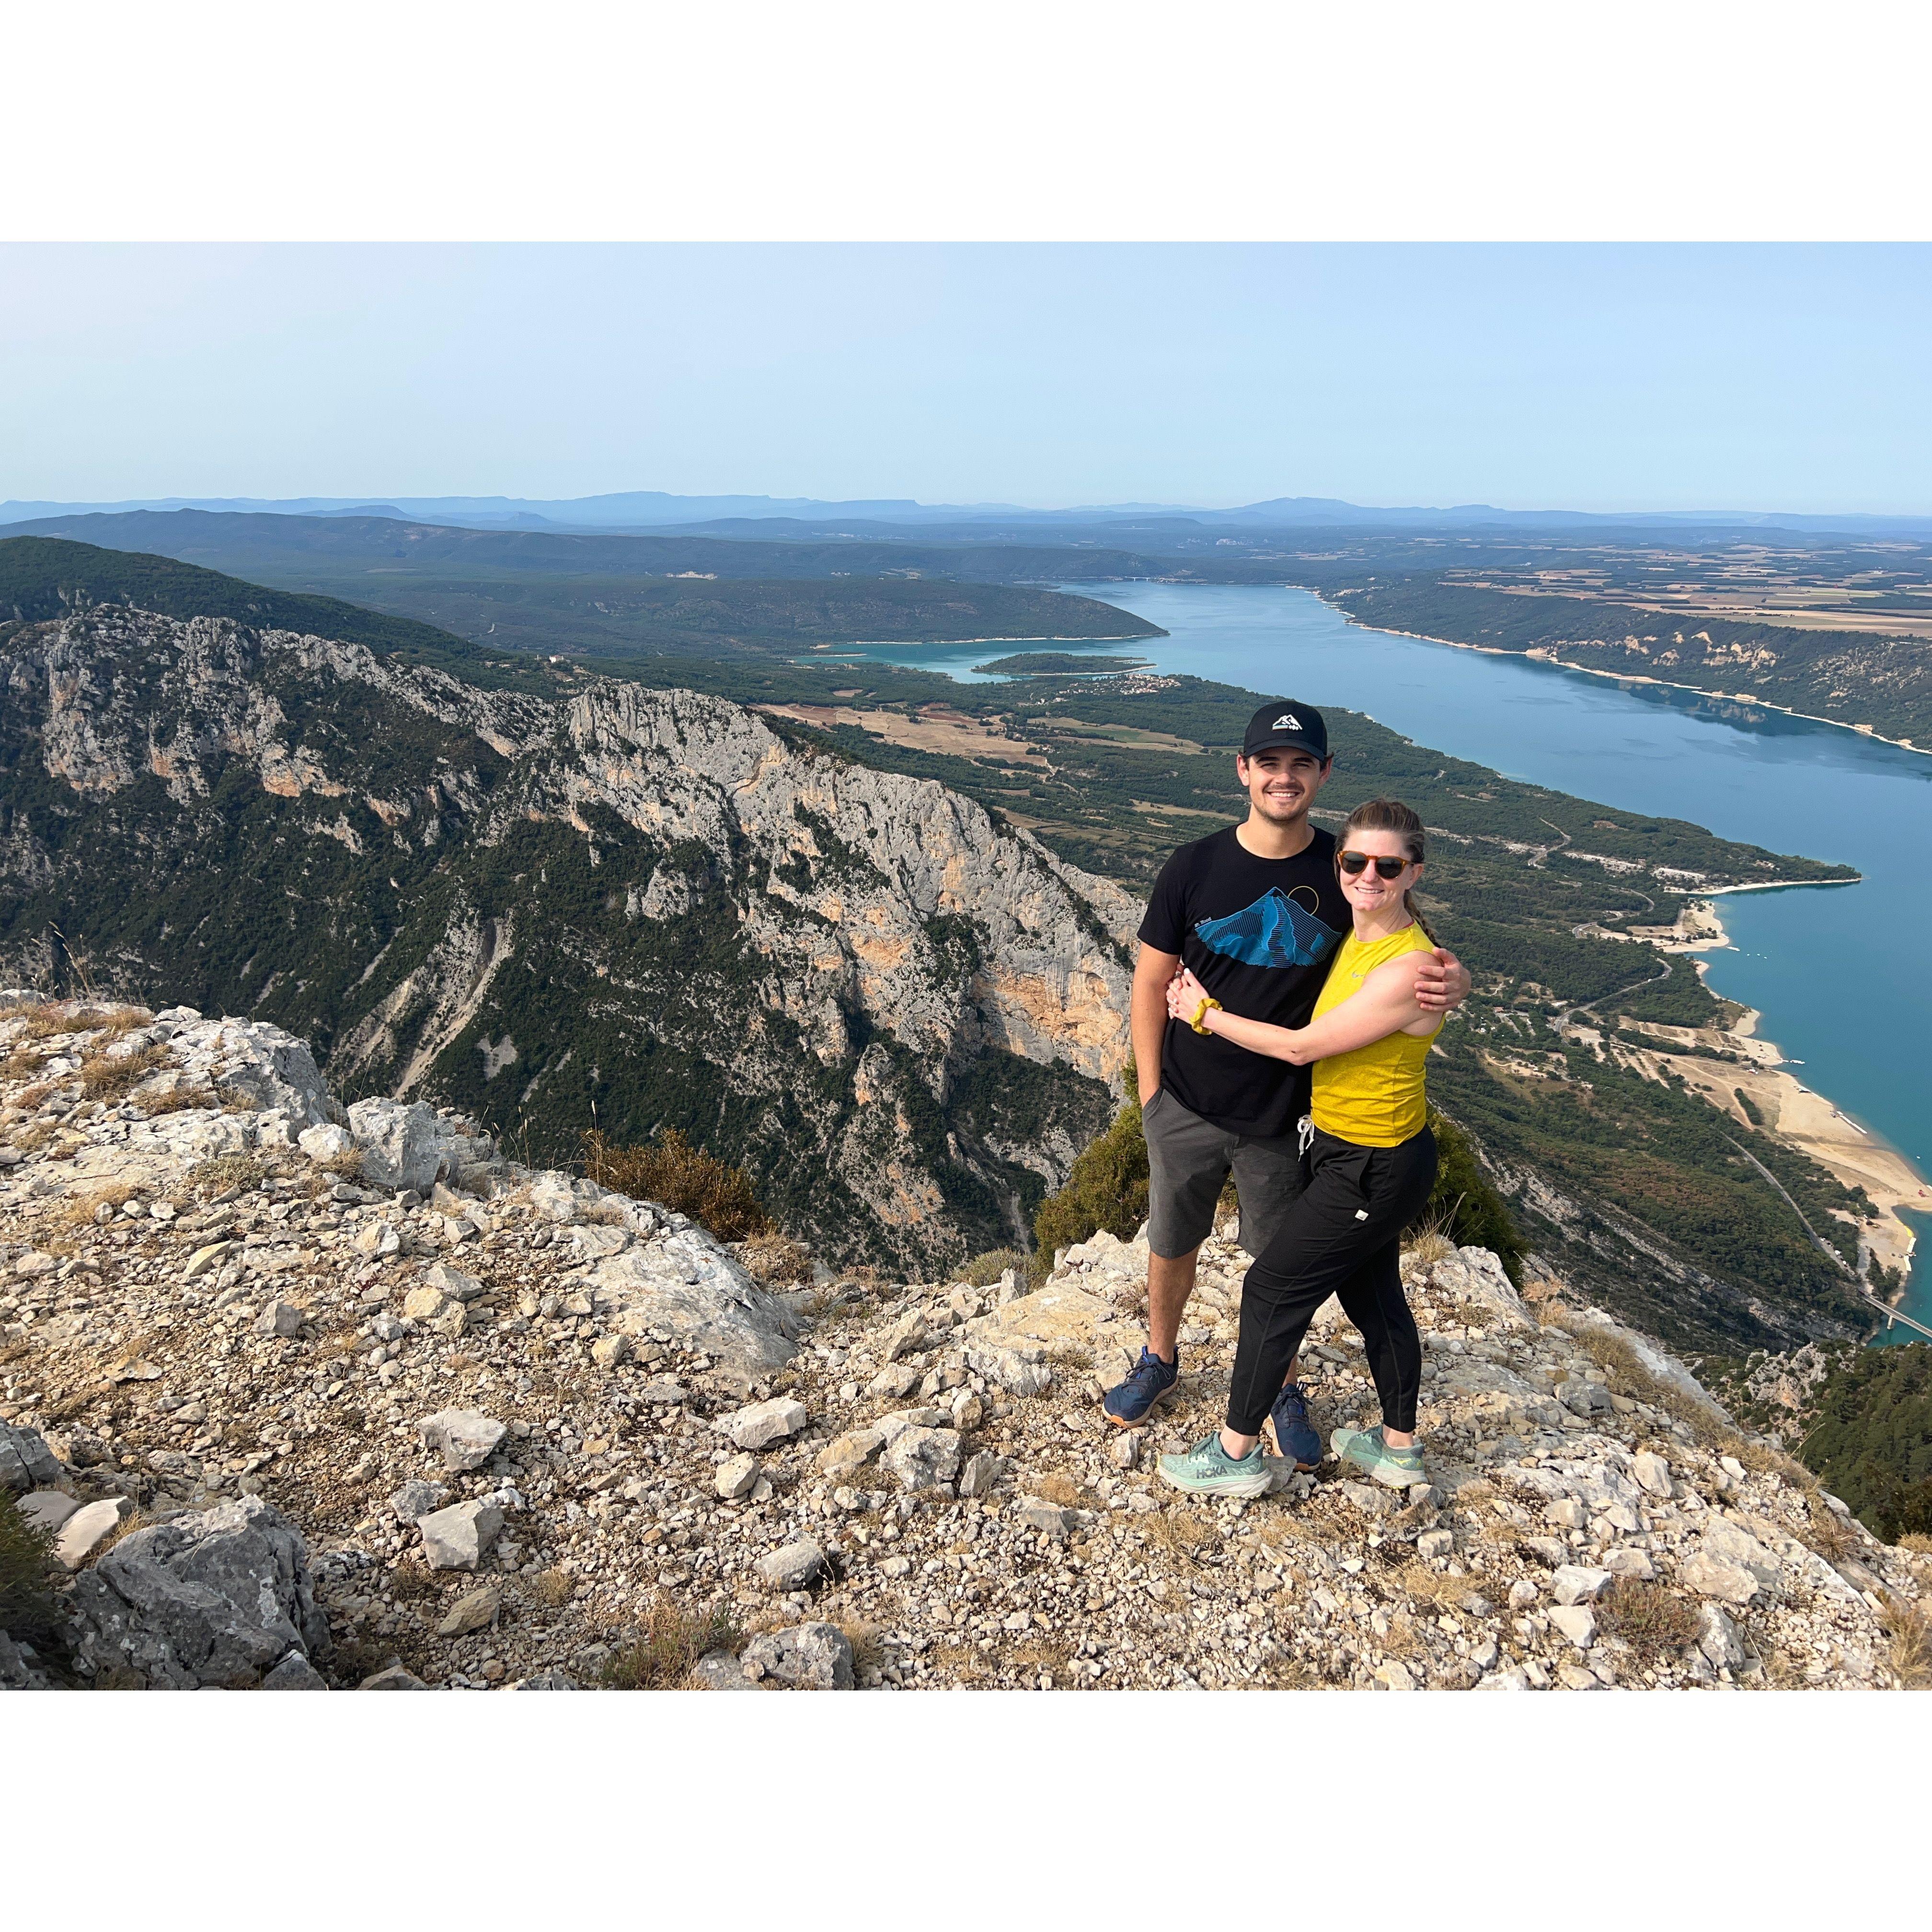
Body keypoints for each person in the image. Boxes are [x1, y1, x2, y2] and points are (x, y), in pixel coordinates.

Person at [1104, 702, 1469, 1466]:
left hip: (1285, 1120)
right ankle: (1160, 1359)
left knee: (1277, 1269)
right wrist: (1150, 1097)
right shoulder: (1194, 865)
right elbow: (1149, 981)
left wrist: (1456, 979)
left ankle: (1281, 1391)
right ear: (1243, 771)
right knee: (1174, 1241)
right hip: (1188, 1104)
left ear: (1324, 773)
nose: (1284, 777)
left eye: (1301, 764)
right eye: (1269, 763)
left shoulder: (1347, 867)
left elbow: (1410, 940)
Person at [1154, 796, 1446, 1498]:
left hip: (1372, 1163)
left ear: (1414, 873)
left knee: (1269, 1289)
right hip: (1366, 1153)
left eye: (1388, 865)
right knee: (1375, 1297)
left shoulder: (1408, 966)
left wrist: (1205, 1015)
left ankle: (1236, 1452)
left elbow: (1298, 1047)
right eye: (1354, 861)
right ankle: (1399, 1447)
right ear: (1339, 863)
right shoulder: (1361, 935)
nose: (1366, 876)